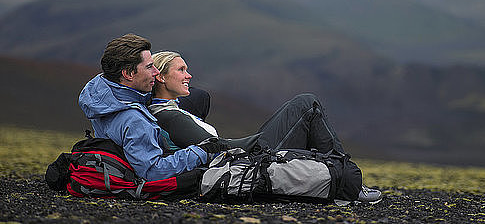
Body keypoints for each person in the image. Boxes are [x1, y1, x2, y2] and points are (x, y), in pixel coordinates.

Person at [149, 50, 382, 204]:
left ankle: (339, 179)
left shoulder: (175, 108)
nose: (188, 75)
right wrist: (255, 140)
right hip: (242, 160)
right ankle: (350, 183)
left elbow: (199, 97)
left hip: (238, 157)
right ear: (160, 77)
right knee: (306, 104)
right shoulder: (169, 117)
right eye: (181, 70)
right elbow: (214, 147)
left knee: (301, 108)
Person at [78, 34, 209, 181]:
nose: (156, 71)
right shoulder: (135, 121)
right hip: (145, 174)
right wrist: (200, 151)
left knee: (199, 96)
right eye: (149, 67)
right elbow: (152, 172)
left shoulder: (102, 93)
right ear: (128, 74)